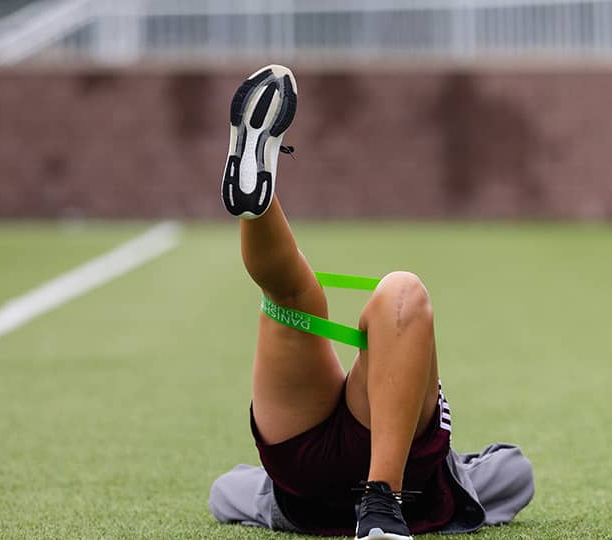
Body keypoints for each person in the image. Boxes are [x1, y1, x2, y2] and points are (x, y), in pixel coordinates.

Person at [205, 65, 534, 540]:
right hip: (385, 473)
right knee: (383, 294)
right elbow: (514, 470)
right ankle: (381, 502)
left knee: (300, 296)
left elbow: (222, 492)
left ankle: (259, 203)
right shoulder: (455, 483)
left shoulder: (263, 494)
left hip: (304, 465)